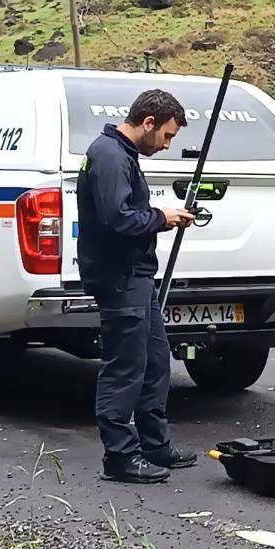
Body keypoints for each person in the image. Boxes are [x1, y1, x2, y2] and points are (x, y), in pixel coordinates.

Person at [77, 89, 197, 483]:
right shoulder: (110, 156)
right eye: (167, 135)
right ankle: (120, 456)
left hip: (136, 275)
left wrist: (161, 215)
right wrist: (161, 218)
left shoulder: (122, 154)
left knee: (155, 361)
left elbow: (126, 213)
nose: (166, 145)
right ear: (148, 122)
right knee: (125, 366)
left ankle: (153, 446)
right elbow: (117, 220)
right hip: (119, 276)